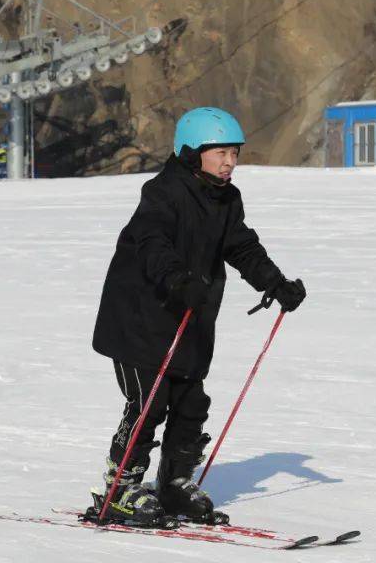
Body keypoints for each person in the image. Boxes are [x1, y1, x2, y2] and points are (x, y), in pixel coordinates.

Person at [89, 107, 307, 525]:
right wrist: (177, 279)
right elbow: (152, 243)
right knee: (148, 403)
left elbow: (241, 248)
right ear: (192, 152)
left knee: (191, 402)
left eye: (235, 153)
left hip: (189, 318)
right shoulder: (162, 192)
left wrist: (274, 284)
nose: (230, 161)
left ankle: (173, 484)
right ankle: (120, 488)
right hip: (140, 317)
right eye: (221, 152)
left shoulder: (226, 198)